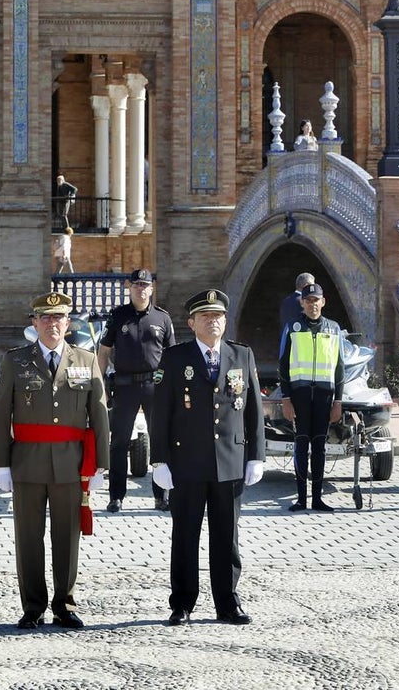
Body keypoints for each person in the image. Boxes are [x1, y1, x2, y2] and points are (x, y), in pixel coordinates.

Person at [0, 291, 110, 630]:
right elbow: (0, 415)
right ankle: (33, 605)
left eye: (58, 318)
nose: (52, 324)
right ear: (35, 323)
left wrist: (101, 464)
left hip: (71, 463)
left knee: (67, 536)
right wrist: (0, 463)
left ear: (68, 324)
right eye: (45, 318)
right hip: (27, 461)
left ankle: (65, 604)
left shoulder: (85, 361)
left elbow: (99, 414)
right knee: (28, 536)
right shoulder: (16, 361)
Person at [151, 289, 265, 627]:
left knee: (226, 538)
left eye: (218, 316)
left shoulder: (241, 356)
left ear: (225, 321)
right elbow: (161, 413)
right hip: (187, 463)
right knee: (185, 536)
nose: (213, 321)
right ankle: (182, 603)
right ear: (192, 323)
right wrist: (160, 460)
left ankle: (228, 603)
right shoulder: (175, 358)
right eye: (205, 316)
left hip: (230, 461)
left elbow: (254, 411)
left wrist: (255, 455)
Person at [97, 268, 175, 513]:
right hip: (124, 385)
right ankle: (116, 496)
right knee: (119, 442)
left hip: (155, 386)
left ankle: (161, 496)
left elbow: (171, 356)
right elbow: (104, 351)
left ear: (152, 288)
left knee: (160, 440)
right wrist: (100, 384)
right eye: (137, 285)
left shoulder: (163, 318)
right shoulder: (118, 316)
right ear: (128, 287)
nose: (141, 289)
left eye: (146, 285)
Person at [278, 283, 344, 512]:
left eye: (316, 300)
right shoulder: (293, 327)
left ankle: (317, 498)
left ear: (323, 302)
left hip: (325, 396)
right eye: (308, 301)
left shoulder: (334, 329)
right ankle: (301, 498)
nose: (312, 304)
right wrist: (286, 398)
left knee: (319, 446)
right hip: (300, 395)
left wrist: (338, 401)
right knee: (300, 444)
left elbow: (339, 368)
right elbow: (283, 365)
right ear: (302, 303)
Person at [278, 272, 315, 353]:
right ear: (306, 285)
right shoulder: (304, 303)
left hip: (286, 345)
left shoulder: (286, 301)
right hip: (301, 347)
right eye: (312, 285)